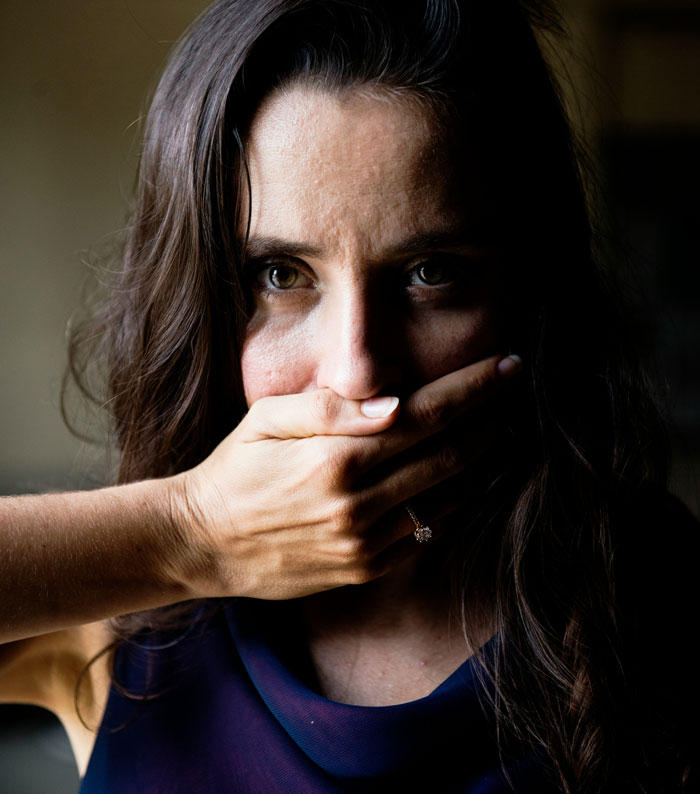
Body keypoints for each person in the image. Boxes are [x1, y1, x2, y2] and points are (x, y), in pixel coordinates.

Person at [1, 0, 698, 791]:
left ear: (528, 292)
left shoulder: (659, 611)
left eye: (431, 273)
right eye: (279, 275)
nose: (357, 371)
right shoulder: (122, 609)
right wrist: (188, 535)